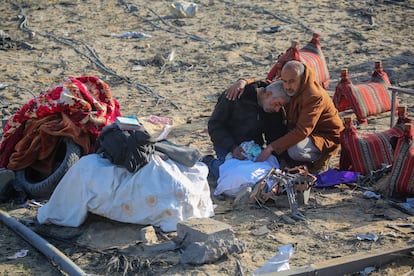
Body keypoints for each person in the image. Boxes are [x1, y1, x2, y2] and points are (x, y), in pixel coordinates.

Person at [227, 60, 344, 173]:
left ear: (302, 79)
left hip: (323, 136)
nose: (287, 86)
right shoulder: (288, 85)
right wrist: (243, 81)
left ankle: (319, 160)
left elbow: (302, 131)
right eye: (284, 81)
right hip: (299, 131)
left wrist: (270, 148)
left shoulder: (314, 96)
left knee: (295, 150)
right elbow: (265, 84)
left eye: (291, 81)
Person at [203, 80, 290, 179]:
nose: (277, 109)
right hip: (227, 145)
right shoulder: (235, 95)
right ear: (268, 94)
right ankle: (209, 162)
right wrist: (232, 147)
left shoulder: (273, 110)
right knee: (231, 175)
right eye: (277, 104)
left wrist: (281, 158)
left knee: (266, 174)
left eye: (280, 106)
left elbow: (275, 135)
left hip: (253, 149)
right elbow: (215, 126)